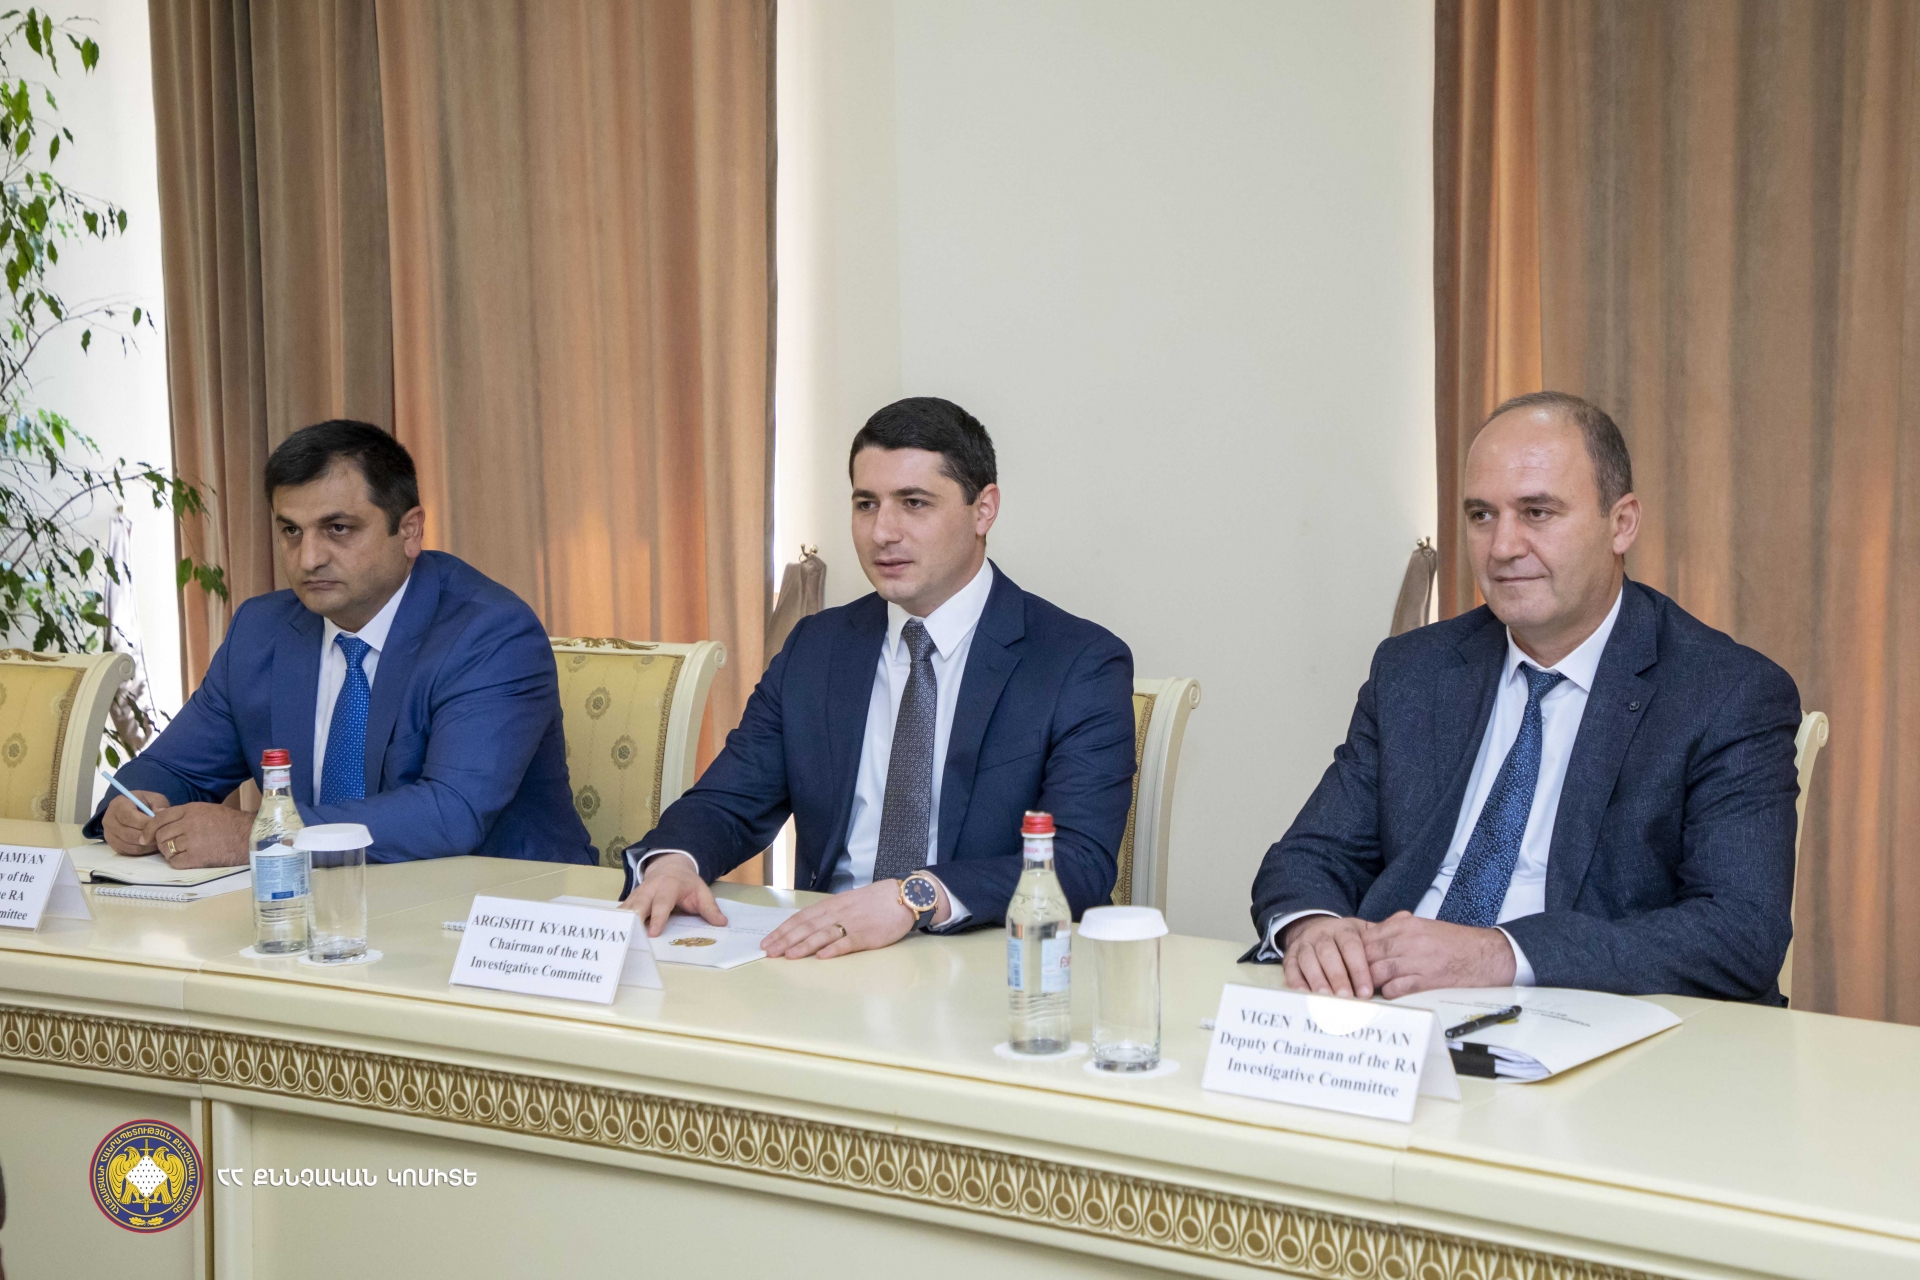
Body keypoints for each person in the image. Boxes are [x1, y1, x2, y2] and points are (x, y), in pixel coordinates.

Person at [1250, 392, 1800, 1003]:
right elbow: (1310, 856)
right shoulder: (1414, 671)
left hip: (1587, 1018)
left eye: (1537, 513)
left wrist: (1501, 955)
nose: (1503, 547)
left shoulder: (1726, 693)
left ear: (1621, 524)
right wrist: (1317, 930)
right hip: (1388, 1008)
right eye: (1482, 515)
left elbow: (1739, 932)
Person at [621, 397, 1136, 958]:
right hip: (825, 958)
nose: (882, 531)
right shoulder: (817, 647)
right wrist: (674, 861)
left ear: (984, 509)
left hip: (984, 960)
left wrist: (913, 897)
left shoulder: (1077, 662)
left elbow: (1079, 864)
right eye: (866, 504)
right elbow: (729, 801)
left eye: (914, 503)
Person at [90, 421, 594, 867]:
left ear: (410, 530)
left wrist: (262, 835)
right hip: (323, 913)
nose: (308, 558)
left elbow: (450, 812)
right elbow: (172, 767)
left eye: (338, 528)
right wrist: (131, 804)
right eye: (291, 531)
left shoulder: (490, 633)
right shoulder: (261, 632)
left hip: (496, 912)